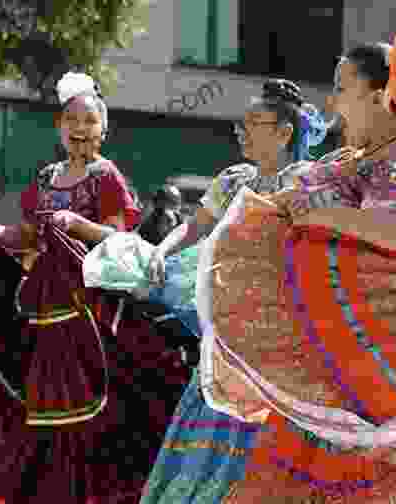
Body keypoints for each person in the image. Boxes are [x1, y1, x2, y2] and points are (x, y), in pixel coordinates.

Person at [191, 30, 396, 502]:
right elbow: (290, 202)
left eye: (343, 88)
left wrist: (327, 216)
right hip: (331, 361)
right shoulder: (345, 162)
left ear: (382, 95)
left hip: (394, 357)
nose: (334, 101)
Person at [0, 71, 190, 502]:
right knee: (41, 397)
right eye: (72, 120)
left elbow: (117, 237)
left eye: (90, 121)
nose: (80, 129)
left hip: (90, 302)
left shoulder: (106, 175)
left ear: (104, 131)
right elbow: (25, 236)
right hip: (43, 304)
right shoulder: (43, 179)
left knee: (88, 396)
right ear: (59, 126)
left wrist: (75, 224)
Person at [140, 79, 328, 503]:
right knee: (213, 413)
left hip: (285, 330)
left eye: (253, 124)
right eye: (240, 124)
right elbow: (194, 225)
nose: (241, 132)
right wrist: (161, 250)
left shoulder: (307, 181)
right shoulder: (233, 180)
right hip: (230, 325)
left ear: (284, 132)